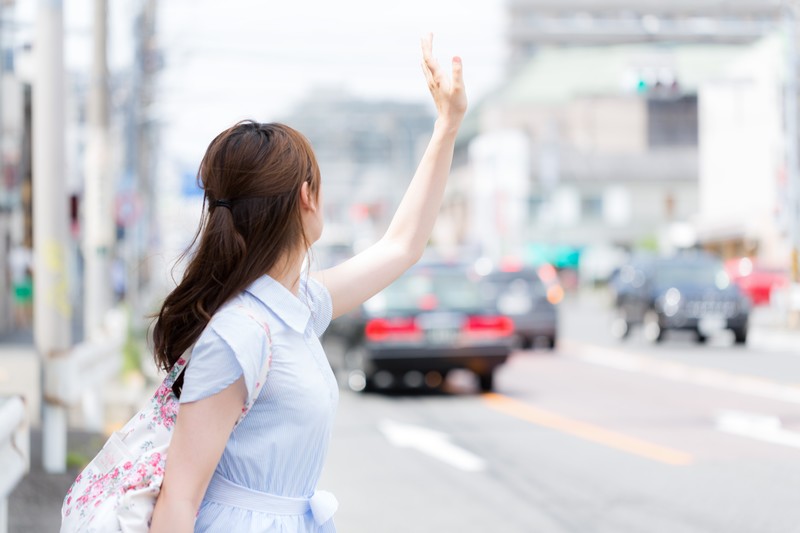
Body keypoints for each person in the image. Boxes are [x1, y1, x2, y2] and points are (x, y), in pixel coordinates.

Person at [149, 33, 466, 533]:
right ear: (306, 196)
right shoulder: (241, 333)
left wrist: (446, 127)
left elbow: (401, 246)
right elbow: (177, 501)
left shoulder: (294, 308)